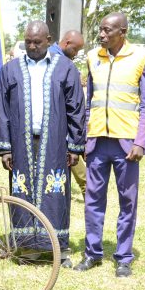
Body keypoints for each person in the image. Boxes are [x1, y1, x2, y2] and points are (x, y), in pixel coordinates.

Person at [0, 20, 85, 268]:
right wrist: (5, 148)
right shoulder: (10, 69)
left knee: (55, 194)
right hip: (20, 141)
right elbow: (2, 109)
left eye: (37, 42)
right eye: (28, 42)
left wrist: (74, 146)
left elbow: (76, 107)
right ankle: (28, 248)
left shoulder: (65, 68)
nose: (32, 46)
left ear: (49, 41)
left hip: (55, 141)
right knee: (22, 192)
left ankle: (58, 249)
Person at [73, 13, 145, 277]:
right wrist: (87, 137)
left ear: (123, 32)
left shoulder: (141, 57)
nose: (102, 35)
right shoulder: (93, 57)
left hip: (126, 144)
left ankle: (124, 257)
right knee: (92, 200)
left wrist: (140, 142)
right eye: (101, 30)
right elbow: (89, 101)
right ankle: (92, 253)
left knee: (127, 202)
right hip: (97, 142)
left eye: (108, 30)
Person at [49, 30, 87, 198]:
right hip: (61, 124)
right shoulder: (56, 61)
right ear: (67, 43)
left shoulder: (61, 60)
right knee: (74, 162)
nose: (76, 54)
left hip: (64, 123)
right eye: (75, 49)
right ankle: (88, 194)